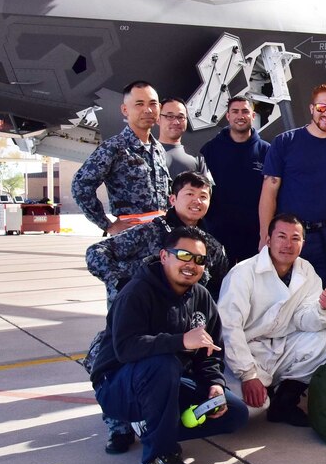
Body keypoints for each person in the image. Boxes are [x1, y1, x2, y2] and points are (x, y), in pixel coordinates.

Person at [90, 227, 249, 464]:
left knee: (234, 414)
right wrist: (181, 341)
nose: (192, 265)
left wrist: (215, 386)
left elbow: (209, 353)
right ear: (164, 256)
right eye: (184, 255)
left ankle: (151, 424)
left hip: (168, 381)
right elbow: (126, 348)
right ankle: (157, 456)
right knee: (163, 364)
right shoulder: (136, 293)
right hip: (118, 385)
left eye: (199, 259)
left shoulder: (201, 297)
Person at [259, 84, 326, 336]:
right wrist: (265, 235)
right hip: (291, 239)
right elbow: (269, 191)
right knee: (288, 301)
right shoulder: (285, 143)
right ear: (311, 109)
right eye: (321, 107)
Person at [217, 214, 326, 427]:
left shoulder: (306, 271)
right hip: (247, 352)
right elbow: (229, 327)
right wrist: (248, 375)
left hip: (282, 346)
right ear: (268, 239)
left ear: (303, 242)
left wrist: (321, 308)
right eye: (281, 236)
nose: (288, 244)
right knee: (248, 411)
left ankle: (285, 400)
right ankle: (262, 392)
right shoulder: (243, 273)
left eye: (295, 238)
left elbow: (304, 321)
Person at [86, 171, 229, 304]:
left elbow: (221, 287)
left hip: (184, 320)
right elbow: (96, 252)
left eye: (203, 196)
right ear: (172, 199)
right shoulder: (150, 232)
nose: (197, 201)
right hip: (142, 313)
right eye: (190, 194)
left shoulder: (211, 245)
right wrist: (121, 283)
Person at [72, 80, 170, 236]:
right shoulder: (114, 147)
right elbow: (81, 185)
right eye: (139, 104)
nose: (148, 110)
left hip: (162, 238)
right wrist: (107, 225)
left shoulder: (157, 148)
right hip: (131, 240)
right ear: (125, 110)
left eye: (153, 104)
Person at [200, 96, 270, 265]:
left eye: (245, 111)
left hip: (255, 236)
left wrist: (265, 233)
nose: (240, 116)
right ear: (228, 116)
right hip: (218, 234)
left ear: (253, 116)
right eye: (235, 111)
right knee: (218, 286)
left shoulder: (267, 151)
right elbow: (202, 190)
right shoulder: (210, 150)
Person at [157, 98, 212, 179]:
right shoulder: (144, 153)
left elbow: (207, 189)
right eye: (170, 116)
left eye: (180, 117)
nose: (176, 122)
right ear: (158, 119)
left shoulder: (198, 158)